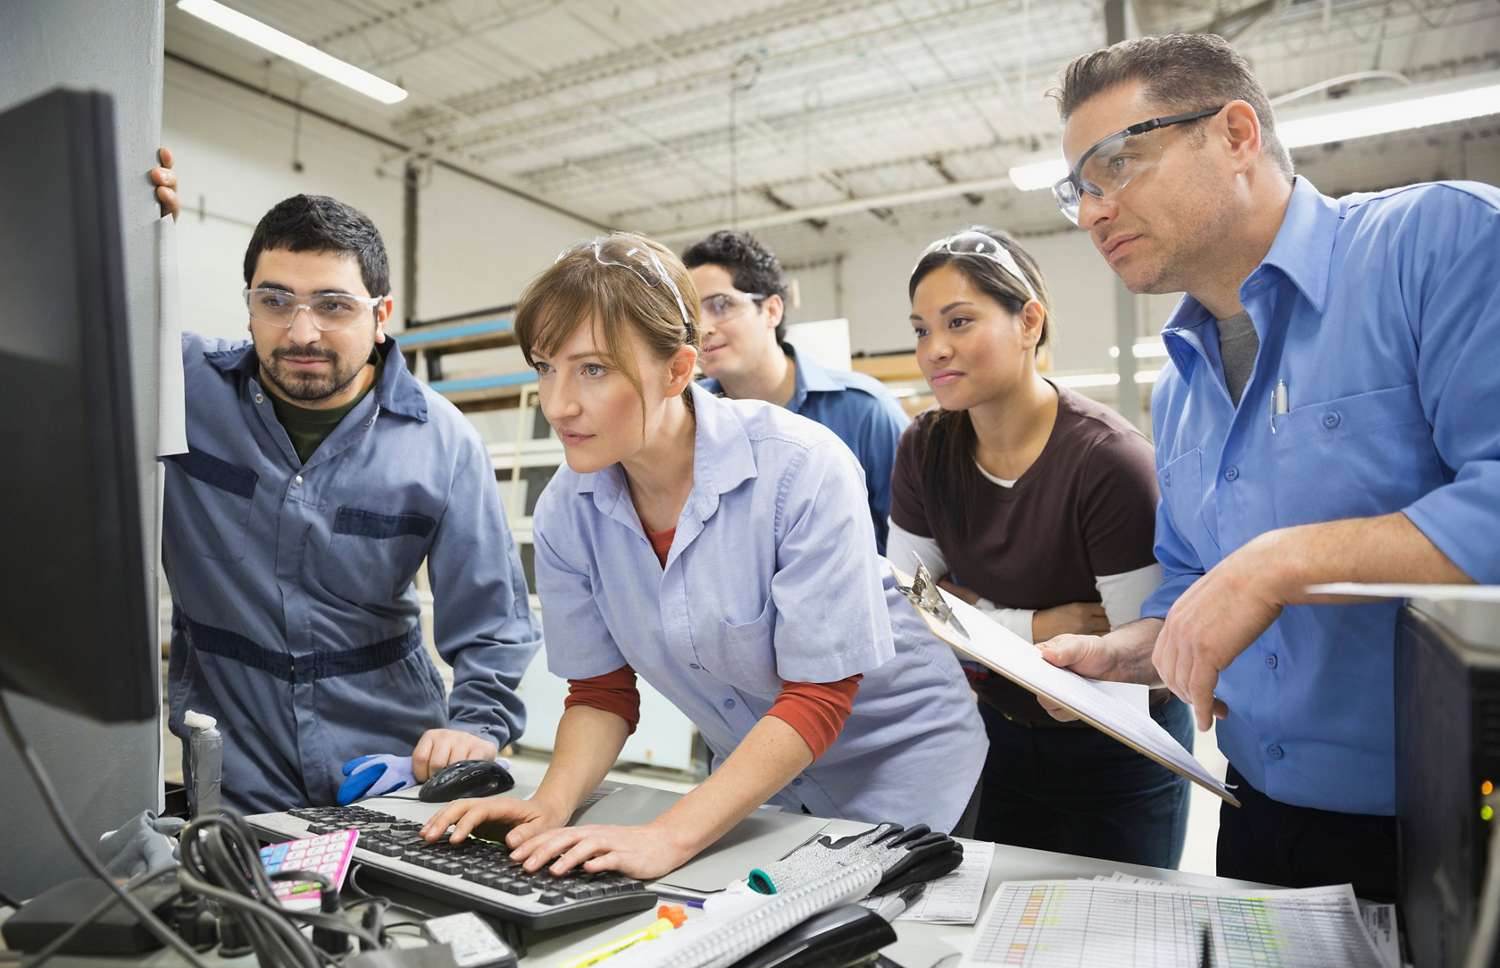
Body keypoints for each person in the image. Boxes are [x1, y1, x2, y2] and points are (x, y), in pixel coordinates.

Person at [1036, 34, 1500, 900]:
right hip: (1258, 818)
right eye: (1081, 192)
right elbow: (1194, 590)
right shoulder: (1179, 387)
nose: (1096, 211)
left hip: (1450, 830)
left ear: (1238, 134)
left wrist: (1280, 565)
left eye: (1118, 166)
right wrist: (1123, 656)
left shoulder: (1436, 245)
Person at [420, 234, 986, 880]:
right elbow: (601, 691)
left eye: (594, 369)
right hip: (760, 784)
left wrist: (669, 836)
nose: (558, 404)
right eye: (546, 367)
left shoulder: (800, 466)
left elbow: (819, 695)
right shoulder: (566, 511)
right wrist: (549, 805)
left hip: (901, 769)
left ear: (678, 369)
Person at [150, 154, 540, 813]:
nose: (301, 331)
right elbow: (78, 320)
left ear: (381, 312)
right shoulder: (181, 389)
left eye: (333, 305)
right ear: (248, 306)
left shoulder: (442, 443)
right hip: (237, 773)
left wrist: (474, 728)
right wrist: (133, 227)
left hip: (387, 772)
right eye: (274, 301)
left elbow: (493, 620)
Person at [892, 226, 1191, 868]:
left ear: (1029, 321)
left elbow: (1138, 652)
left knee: (1117, 945)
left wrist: (967, 612)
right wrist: (1038, 625)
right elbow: (906, 606)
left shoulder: (1107, 462)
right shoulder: (924, 448)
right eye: (921, 329)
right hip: (996, 734)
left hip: (1118, 749)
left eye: (959, 321)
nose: (934, 349)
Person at [683, 230, 909, 553]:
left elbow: (915, 552)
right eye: (691, 313)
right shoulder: (688, 420)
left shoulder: (864, 412)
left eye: (721, 305)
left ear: (772, 310)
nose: (703, 328)